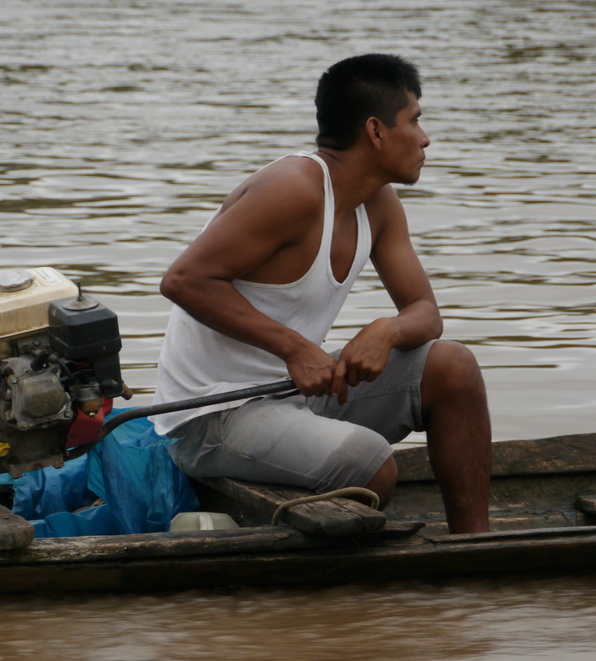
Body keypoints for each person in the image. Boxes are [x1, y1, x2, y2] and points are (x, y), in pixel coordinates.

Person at [151, 54, 490, 534]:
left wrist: (387, 330)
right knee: (371, 464)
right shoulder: (294, 188)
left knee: (452, 368)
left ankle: (476, 550)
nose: (425, 137)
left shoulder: (380, 205)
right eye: (415, 121)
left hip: (297, 394)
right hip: (213, 417)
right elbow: (182, 280)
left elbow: (426, 313)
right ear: (375, 132)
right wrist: (294, 349)